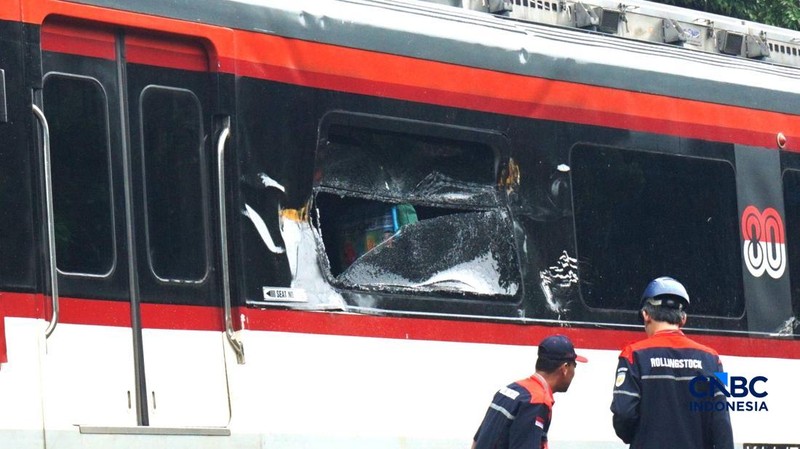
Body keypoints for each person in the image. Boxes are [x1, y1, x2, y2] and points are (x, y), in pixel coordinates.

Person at [610, 276, 733, 449]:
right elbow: (721, 425)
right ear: (683, 319)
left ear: (646, 315)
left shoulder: (633, 356)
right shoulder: (712, 360)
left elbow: (624, 415)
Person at [472, 334, 587, 449]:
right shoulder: (536, 401)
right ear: (565, 368)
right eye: (574, 366)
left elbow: (476, 442)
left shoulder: (510, 389)